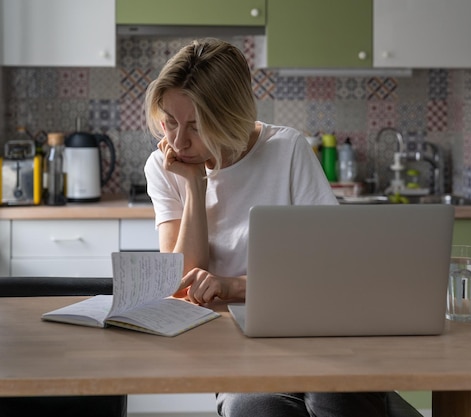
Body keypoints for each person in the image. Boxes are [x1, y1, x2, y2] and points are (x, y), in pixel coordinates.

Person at [143, 38, 388, 417]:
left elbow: (333, 272)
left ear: (229, 115)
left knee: (337, 397)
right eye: (170, 122)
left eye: (196, 125)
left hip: (314, 333)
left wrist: (233, 286)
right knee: (256, 409)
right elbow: (179, 284)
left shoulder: (286, 149)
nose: (178, 141)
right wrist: (194, 185)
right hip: (238, 349)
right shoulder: (166, 167)